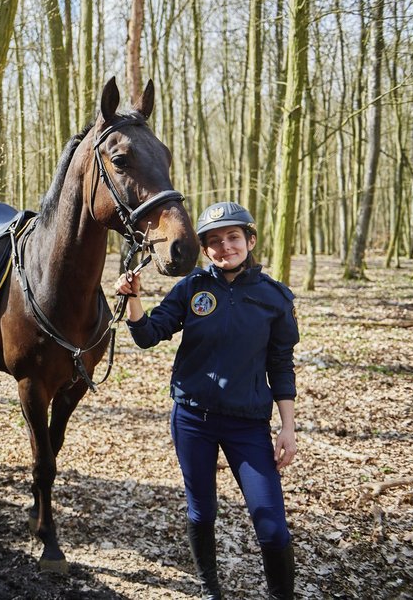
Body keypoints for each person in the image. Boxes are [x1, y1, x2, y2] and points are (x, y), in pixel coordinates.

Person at [116, 201, 299, 600]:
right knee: (202, 511)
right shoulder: (191, 289)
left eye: (233, 237)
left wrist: (287, 426)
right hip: (192, 421)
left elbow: (281, 366)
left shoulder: (275, 298)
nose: (224, 247)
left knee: (271, 524)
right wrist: (133, 299)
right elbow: (149, 334)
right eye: (213, 242)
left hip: (248, 424)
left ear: (250, 240)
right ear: (204, 249)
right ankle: (208, 588)